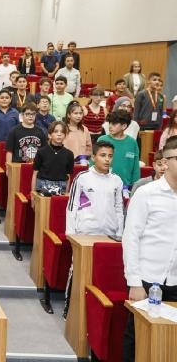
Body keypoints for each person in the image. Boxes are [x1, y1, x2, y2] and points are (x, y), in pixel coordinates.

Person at [122, 136, 177, 362]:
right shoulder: (147, 193)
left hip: (175, 279)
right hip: (147, 279)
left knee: (170, 342)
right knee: (137, 337)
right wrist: (134, 281)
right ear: (166, 161)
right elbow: (131, 237)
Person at [64, 140, 124, 318]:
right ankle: (70, 308)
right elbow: (72, 206)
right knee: (78, 271)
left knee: (102, 274)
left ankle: (94, 313)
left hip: (109, 235)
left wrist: (119, 233)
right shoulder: (82, 178)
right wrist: (71, 233)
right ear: (93, 157)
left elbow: (119, 208)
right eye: (103, 155)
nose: (107, 159)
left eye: (110, 156)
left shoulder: (117, 180)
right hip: (85, 233)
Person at [97, 110, 140, 187]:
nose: (110, 126)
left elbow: (135, 167)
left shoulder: (132, 142)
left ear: (124, 126)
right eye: (110, 123)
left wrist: (135, 186)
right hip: (103, 184)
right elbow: (93, 162)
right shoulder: (102, 139)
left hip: (125, 187)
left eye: (114, 124)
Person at [32, 121, 74, 195]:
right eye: (56, 131)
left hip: (61, 186)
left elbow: (68, 176)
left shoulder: (69, 154)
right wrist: (33, 193)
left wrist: (66, 194)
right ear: (49, 135)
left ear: (65, 135)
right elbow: (35, 173)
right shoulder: (41, 152)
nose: (59, 134)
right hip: (43, 185)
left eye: (62, 132)